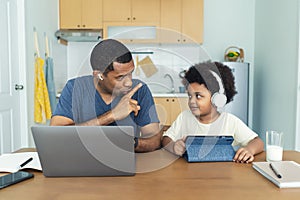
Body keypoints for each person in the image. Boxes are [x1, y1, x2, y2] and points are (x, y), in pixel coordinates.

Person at [50, 39, 161, 152]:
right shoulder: (75, 88)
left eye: (130, 73)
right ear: (99, 75)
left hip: (126, 161)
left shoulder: (140, 91)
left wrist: (129, 142)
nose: (129, 83)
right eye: (120, 77)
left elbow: (155, 140)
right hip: (81, 159)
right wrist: (111, 115)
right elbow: (56, 136)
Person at [162, 61, 264, 163]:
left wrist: (250, 150)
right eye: (190, 96)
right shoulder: (184, 118)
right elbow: (166, 138)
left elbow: (257, 142)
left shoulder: (229, 121)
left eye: (198, 96)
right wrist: (173, 146)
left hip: (221, 175)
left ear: (217, 99)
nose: (191, 101)